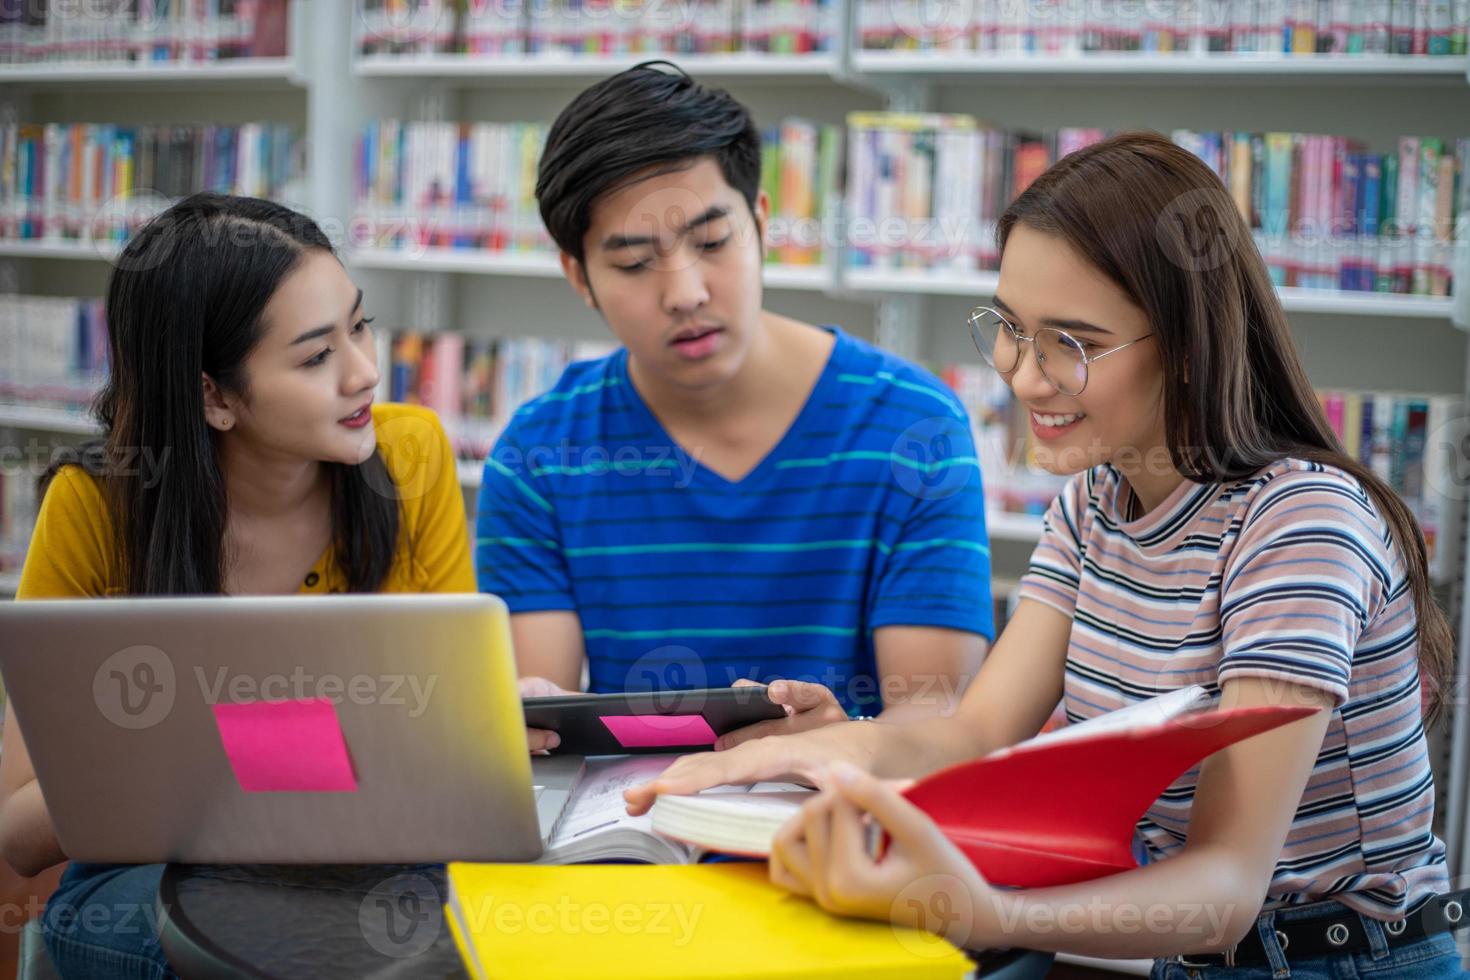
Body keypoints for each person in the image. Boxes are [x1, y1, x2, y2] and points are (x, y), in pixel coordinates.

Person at [625, 131, 1464, 977]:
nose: (1024, 379)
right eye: (1011, 330)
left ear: (1185, 345)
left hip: (1347, 961)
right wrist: (808, 753)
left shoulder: (1300, 522)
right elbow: (976, 733)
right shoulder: (1093, 506)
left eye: (1072, 342)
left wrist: (987, 911)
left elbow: (1225, 889)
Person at [0, 193, 475, 979]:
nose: (365, 371)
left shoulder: (412, 456)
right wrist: (217, 742)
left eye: (359, 325)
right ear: (213, 396)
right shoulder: (96, 508)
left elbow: (444, 740)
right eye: (317, 356)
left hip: (372, 858)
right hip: (155, 874)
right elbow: (18, 833)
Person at [478, 62, 995, 751]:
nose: (685, 291)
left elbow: (937, 722)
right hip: (636, 835)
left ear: (759, 224)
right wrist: (523, 711)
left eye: (713, 242)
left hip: (842, 828)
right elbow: (546, 720)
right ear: (579, 276)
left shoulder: (914, 426)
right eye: (634, 263)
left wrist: (843, 738)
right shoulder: (538, 453)